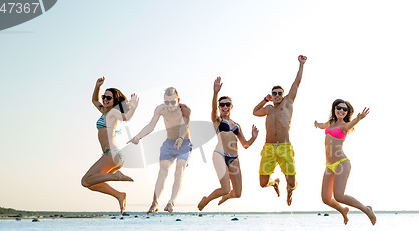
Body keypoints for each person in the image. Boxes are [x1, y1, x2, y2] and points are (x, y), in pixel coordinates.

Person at [253, 55, 307, 206]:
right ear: (272, 95)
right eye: (274, 93)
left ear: (283, 95)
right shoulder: (269, 109)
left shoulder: (288, 103)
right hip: (269, 148)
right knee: (263, 183)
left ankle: (290, 190)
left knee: (292, 183)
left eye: (279, 93)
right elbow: (255, 111)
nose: (277, 96)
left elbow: (297, 82)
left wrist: (301, 64)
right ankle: (274, 182)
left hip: (284, 147)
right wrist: (265, 99)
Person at [197, 77, 258, 211]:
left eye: (227, 104)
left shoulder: (237, 125)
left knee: (237, 193)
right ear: (219, 107)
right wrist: (215, 92)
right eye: (222, 105)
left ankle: (226, 196)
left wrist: (253, 137)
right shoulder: (217, 120)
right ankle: (206, 200)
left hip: (234, 158)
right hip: (220, 154)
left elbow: (246, 144)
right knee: (225, 188)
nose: (225, 107)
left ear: (231, 106)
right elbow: (213, 109)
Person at [128, 87, 191, 213]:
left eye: (173, 102)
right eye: (167, 102)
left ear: (178, 100)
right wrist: (138, 137)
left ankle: (171, 202)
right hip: (168, 144)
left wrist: (180, 137)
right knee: (163, 171)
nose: (170, 105)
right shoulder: (160, 109)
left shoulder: (185, 109)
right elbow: (151, 126)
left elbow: (185, 125)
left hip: (183, 143)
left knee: (179, 169)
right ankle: (154, 203)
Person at [81, 77, 139, 214]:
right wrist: (97, 86)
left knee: (85, 181)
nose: (104, 99)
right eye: (104, 96)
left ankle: (116, 176)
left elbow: (127, 117)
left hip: (111, 154)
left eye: (108, 97)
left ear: (114, 101)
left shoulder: (113, 113)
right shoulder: (105, 112)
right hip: (112, 156)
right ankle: (119, 195)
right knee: (93, 185)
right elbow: (94, 101)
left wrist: (133, 108)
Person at [314, 99, 376, 225]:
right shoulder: (330, 122)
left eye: (344, 109)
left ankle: (367, 210)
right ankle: (343, 210)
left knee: (339, 196)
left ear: (347, 112)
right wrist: (317, 124)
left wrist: (358, 118)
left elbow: (351, 124)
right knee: (326, 199)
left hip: (341, 163)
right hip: (329, 165)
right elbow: (322, 126)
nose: (341, 110)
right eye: (339, 107)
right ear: (334, 109)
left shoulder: (344, 126)